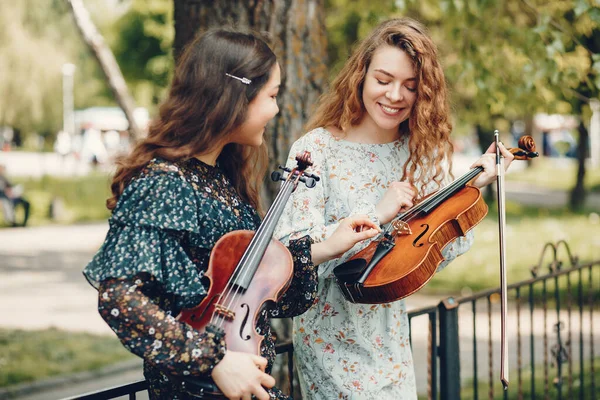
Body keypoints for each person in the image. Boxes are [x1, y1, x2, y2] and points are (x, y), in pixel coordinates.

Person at [83, 28, 380, 400]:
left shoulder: (222, 180)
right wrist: (214, 360)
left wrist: (325, 248)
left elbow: (255, 299)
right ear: (235, 98)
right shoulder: (164, 184)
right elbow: (119, 298)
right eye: (271, 96)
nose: (276, 109)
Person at [275, 17, 514, 399]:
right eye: (383, 80)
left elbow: (432, 254)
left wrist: (468, 191)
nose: (395, 95)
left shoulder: (418, 152)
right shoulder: (317, 149)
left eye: (410, 86)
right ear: (361, 75)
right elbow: (290, 253)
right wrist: (377, 211)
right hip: (330, 341)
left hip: (392, 341)